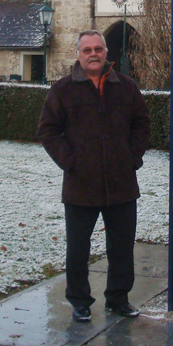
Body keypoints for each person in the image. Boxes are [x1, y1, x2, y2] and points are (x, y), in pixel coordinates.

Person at [37, 29, 151, 323]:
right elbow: (48, 131)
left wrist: (131, 158)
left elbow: (142, 124)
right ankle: (79, 301)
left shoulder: (126, 87)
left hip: (121, 183)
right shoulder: (62, 90)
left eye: (98, 49)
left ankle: (118, 298)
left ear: (106, 52)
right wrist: (70, 161)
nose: (93, 54)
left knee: (122, 246)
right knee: (78, 247)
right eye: (86, 49)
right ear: (78, 54)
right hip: (80, 184)